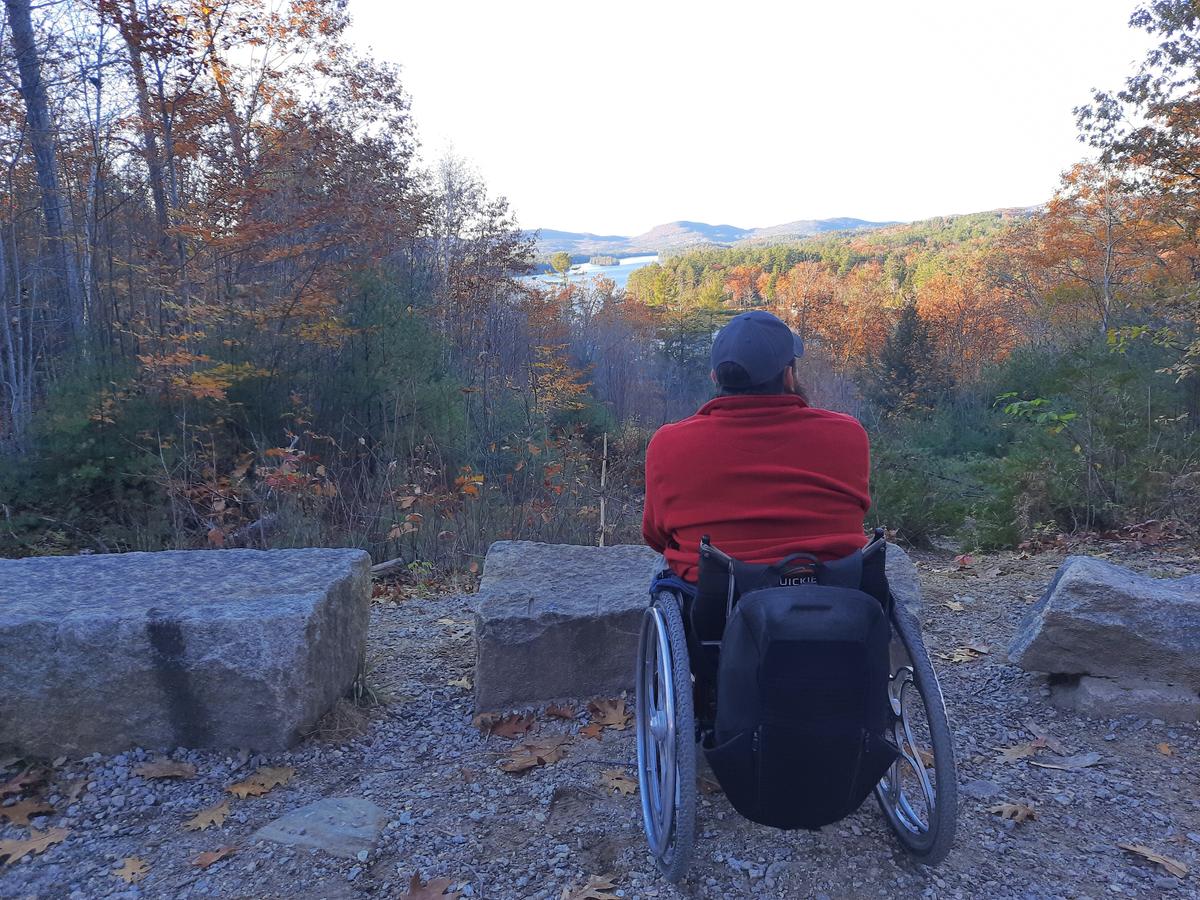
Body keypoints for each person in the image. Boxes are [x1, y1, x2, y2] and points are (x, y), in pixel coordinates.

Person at [642, 310, 870, 582]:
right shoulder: (847, 434)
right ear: (788, 377)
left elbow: (656, 535)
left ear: (715, 377)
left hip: (716, 608)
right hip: (835, 599)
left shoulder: (669, 444)